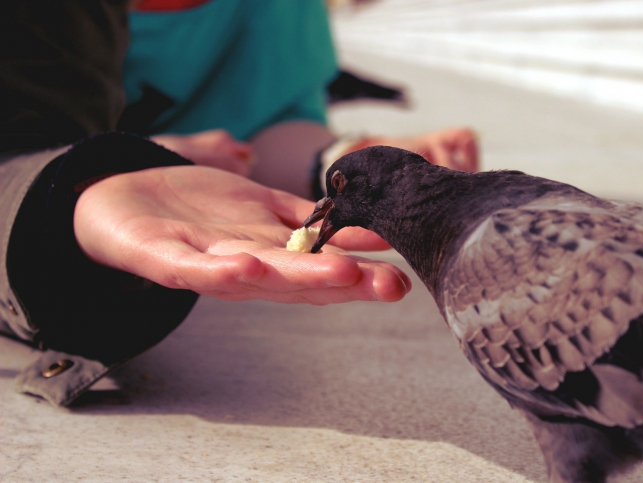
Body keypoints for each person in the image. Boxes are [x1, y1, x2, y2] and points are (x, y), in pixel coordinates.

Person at [0, 0, 411, 407]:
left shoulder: (286, 9)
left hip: (184, 185)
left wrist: (340, 155)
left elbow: (281, 120)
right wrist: (81, 186)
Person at [121, 0, 479, 200]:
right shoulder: (68, 23)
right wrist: (118, 159)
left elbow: (273, 133)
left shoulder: (284, 9)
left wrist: (353, 159)